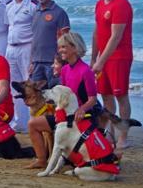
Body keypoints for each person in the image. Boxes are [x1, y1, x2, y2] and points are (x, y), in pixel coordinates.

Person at [27, 32, 98, 168]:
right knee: (33, 124)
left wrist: (82, 109)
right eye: (60, 47)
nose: (60, 50)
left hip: (80, 117)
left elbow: (93, 99)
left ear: (75, 48)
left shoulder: (86, 71)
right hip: (64, 116)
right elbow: (62, 96)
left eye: (64, 47)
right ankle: (41, 160)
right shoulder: (65, 70)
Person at [91, 0, 133, 149]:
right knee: (106, 95)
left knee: (120, 95)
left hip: (119, 57)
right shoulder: (100, 4)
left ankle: (123, 135)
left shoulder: (121, 4)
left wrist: (101, 61)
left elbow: (115, 37)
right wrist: (94, 57)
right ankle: (110, 133)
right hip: (103, 57)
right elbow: (97, 32)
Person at [4, 0, 36, 132]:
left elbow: (38, 31)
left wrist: (33, 57)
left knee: (29, 85)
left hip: (27, 47)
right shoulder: (9, 5)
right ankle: (19, 122)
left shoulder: (32, 5)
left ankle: (32, 121)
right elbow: (8, 27)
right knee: (14, 85)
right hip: (11, 48)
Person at [30, 0, 70, 83]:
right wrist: (31, 62)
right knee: (37, 97)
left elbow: (66, 40)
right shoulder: (35, 12)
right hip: (36, 63)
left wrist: (60, 62)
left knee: (55, 96)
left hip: (52, 63)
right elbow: (34, 38)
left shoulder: (59, 13)